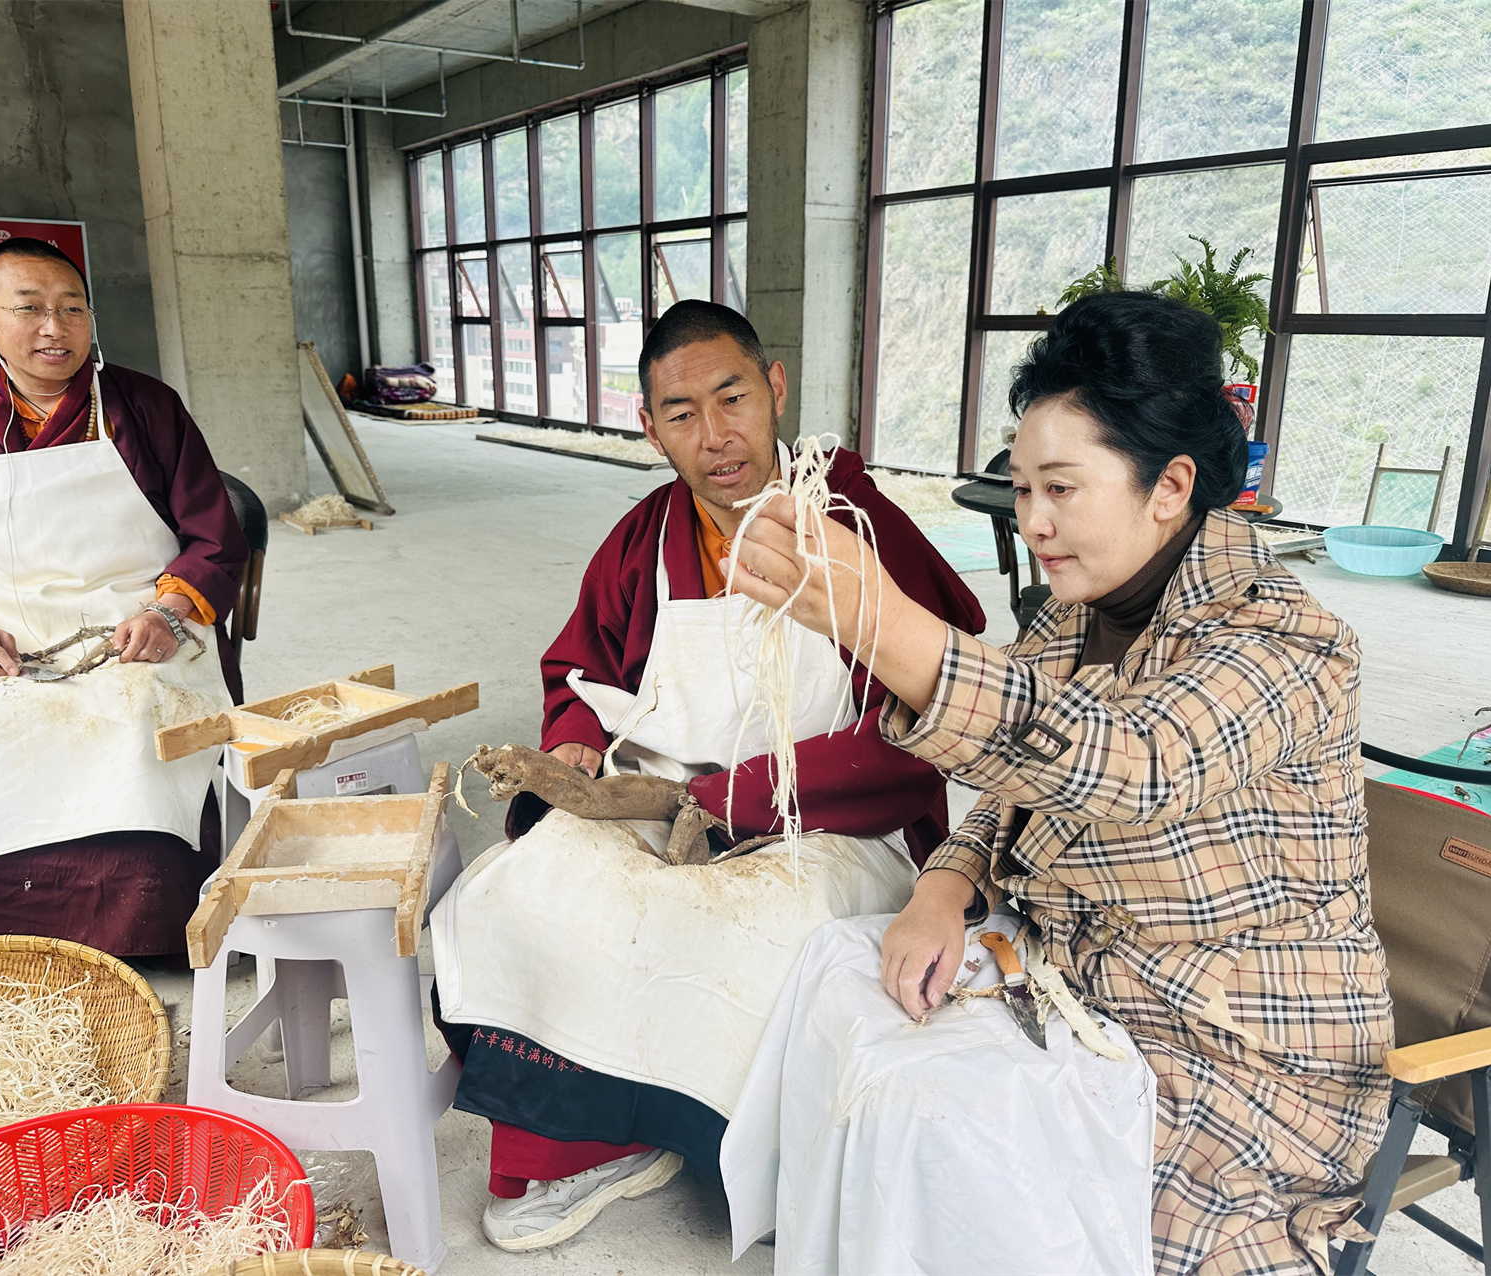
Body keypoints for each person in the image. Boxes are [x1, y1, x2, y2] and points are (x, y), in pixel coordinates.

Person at [720, 292, 1393, 1275]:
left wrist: (886, 624)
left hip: (1237, 1049)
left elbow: (1131, 763)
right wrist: (942, 887)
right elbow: (1019, 777)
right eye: (1023, 487)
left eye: (1062, 489)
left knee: (958, 1141)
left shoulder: (1286, 639)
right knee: (841, 978)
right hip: (1078, 974)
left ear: (1169, 486)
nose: (1033, 522)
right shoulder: (1078, 612)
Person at [430, 300, 986, 1252]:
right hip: (658, 796)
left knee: (764, 932)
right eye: (681, 414)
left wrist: (742, 796)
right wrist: (572, 747)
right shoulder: (645, 538)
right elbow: (579, 669)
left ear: (775, 389)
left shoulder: (855, 526)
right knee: (529, 889)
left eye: (732, 398)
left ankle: (737, 1157)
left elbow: (940, 710)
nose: (715, 435)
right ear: (649, 429)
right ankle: (587, 1144)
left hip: (827, 820)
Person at [0, 237, 247, 961]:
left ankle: (133, 931)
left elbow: (214, 541)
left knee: (133, 731)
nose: (56, 328)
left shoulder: (146, 406)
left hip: (139, 617)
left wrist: (166, 613)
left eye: (73, 308)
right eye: (30, 309)